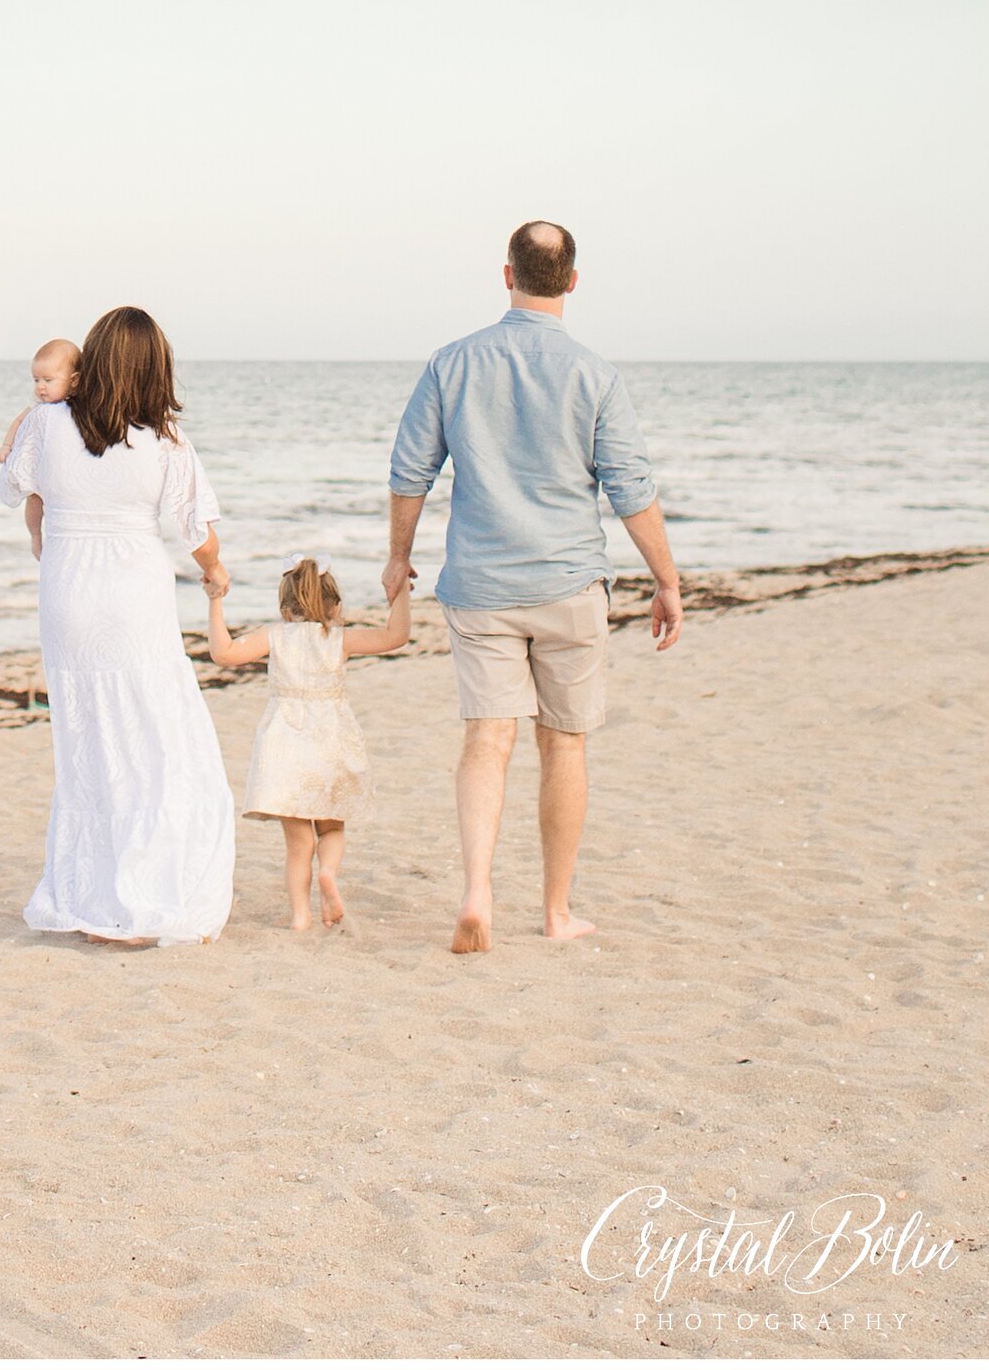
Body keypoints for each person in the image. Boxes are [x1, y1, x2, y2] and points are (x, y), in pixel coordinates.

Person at [384, 220, 683, 955]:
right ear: (572, 282)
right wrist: (667, 580)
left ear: (507, 274)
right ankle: (555, 911)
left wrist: (398, 558)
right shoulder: (594, 374)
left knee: (488, 738)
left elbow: (409, 471)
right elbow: (630, 490)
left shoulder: (451, 363)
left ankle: (478, 891)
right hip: (568, 583)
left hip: (480, 585)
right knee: (565, 744)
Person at [0, 304, 235, 948]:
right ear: (157, 368)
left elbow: (18, 487)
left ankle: (92, 897)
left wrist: (43, 530)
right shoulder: (164, 441)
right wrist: (217, 574)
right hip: (134, 596)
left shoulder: (46, 423)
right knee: (154, 741)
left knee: (88, 742)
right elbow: (198, 533)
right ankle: (144, 897)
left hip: (67, 593)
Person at [207, 553, 410, 931]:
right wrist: (401, 594)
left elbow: (223, 654)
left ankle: (300, 916)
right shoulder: (339, 638)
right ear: (334, 605)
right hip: (332, 742)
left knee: (298, 844)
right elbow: (394, 637)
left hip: (286, 745)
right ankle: (328, 873)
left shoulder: (274, 636)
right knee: (331, 828)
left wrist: (215, 601)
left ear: (285, 609)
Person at [0, 336, 81, 554]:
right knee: (34, 498)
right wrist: (6, 446)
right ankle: (35, 535)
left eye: (48, 380)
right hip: (38, 466)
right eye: (36, 380)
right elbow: (18, 421)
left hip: (60, 471)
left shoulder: (77, 408)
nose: (41, 387)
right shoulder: (38, 408)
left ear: (74, 381)